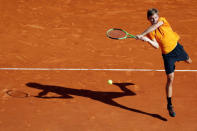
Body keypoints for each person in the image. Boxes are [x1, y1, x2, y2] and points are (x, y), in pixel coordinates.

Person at [136, 8, 192, 117]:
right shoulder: (150, 33)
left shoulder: (163, 20)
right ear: (148, 19)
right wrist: (146, 39)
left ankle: (180, 60)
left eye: (155, 17)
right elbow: (156, 46)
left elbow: (155, 26)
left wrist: (141, 34)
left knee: (189, 61)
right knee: (170, 78)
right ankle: (169, 105)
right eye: (151, 18)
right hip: (167, 56)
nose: (154, 20)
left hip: (177, 49)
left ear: (158, 17)